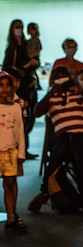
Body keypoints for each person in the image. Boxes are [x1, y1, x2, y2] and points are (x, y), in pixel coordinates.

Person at [28, 66, 83, 213]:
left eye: (64, 76)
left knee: (76, 153)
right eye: (57, 77)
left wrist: (81, 91)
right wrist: (50, 93)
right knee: (62, 148)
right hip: (62, 136)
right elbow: (36, 112)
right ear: (53, 80)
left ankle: (45, 193)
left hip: (82, 135)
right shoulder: (51, 98)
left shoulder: (80, 94)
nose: (61, 79)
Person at [3, 20, 39, 159]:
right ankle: (18, 148)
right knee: (20, 118)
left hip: (30, 86)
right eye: (17, 27)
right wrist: (25, 66)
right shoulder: (12, 48)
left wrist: (33, 63)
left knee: (29, 117)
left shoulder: (26, 45)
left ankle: (24, 148)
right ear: (12, 29)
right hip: (19, 88)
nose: (20, 29)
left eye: (21, 27)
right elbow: (7, 68)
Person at [0, 71, 28, 231]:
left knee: (9, 184)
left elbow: (20, 133)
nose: (4, 89)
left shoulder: (17, 108)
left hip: (11, 153)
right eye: (1, 86)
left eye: (7, 85)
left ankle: (11, 218)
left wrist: (22, 153)